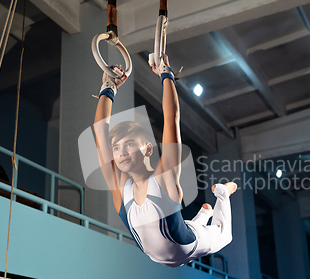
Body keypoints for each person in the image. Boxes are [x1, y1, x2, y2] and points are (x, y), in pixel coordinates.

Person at [93, 54, 237, 267]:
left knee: (223, 235)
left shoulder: (163, 178)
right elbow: (99, 134)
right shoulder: (121, 189)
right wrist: (108, 87)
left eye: (130, 144)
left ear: (148, 149)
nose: (121, 152)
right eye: (116, 147)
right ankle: (204, 213)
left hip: (192, 246)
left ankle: (223, 192)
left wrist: (166, 75)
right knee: (187, 224)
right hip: (170, 245)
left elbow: (172, 119)